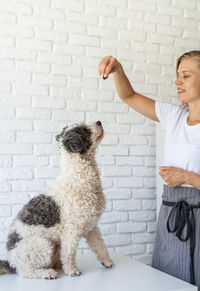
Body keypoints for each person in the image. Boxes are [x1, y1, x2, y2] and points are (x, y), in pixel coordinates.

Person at [98, 51, 200, 287]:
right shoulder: (173, 116)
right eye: (177, 76)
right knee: (168, 281)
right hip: (171, 215)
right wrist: (118, 70)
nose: (178, 81)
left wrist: (186, 177)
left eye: (185, 75)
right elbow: (129, 96)